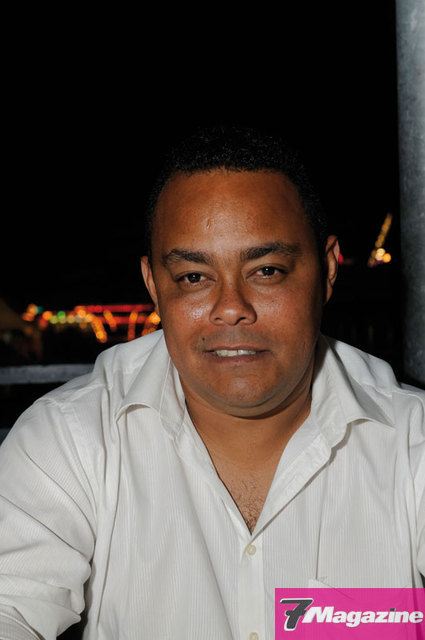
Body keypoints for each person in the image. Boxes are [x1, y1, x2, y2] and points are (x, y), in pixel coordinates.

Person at [0, 125, 424, 640]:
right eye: (194, 278)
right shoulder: (69, 439)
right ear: (153, 285)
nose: (231, 308)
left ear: (328, 270)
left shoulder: (412, 442)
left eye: (267, 271)